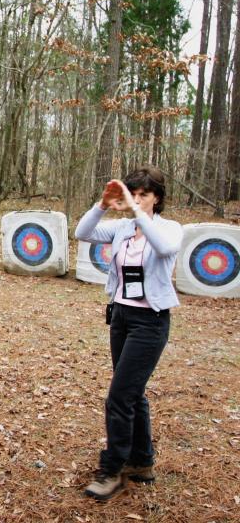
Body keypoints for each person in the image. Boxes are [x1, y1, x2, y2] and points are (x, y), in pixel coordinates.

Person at [75, 167, 182, 501]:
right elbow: (82, 232)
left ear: (157, 198)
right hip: (121, 316)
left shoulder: (170, 229)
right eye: (132, 193)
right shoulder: (122, 228)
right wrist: (103, 204)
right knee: (133, 393)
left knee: (120, 396)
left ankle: (112, 470)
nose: (136, 199)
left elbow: (163, 247)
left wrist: (135, 211)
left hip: (150, 321)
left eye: (143, 195)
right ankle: (142, 462)